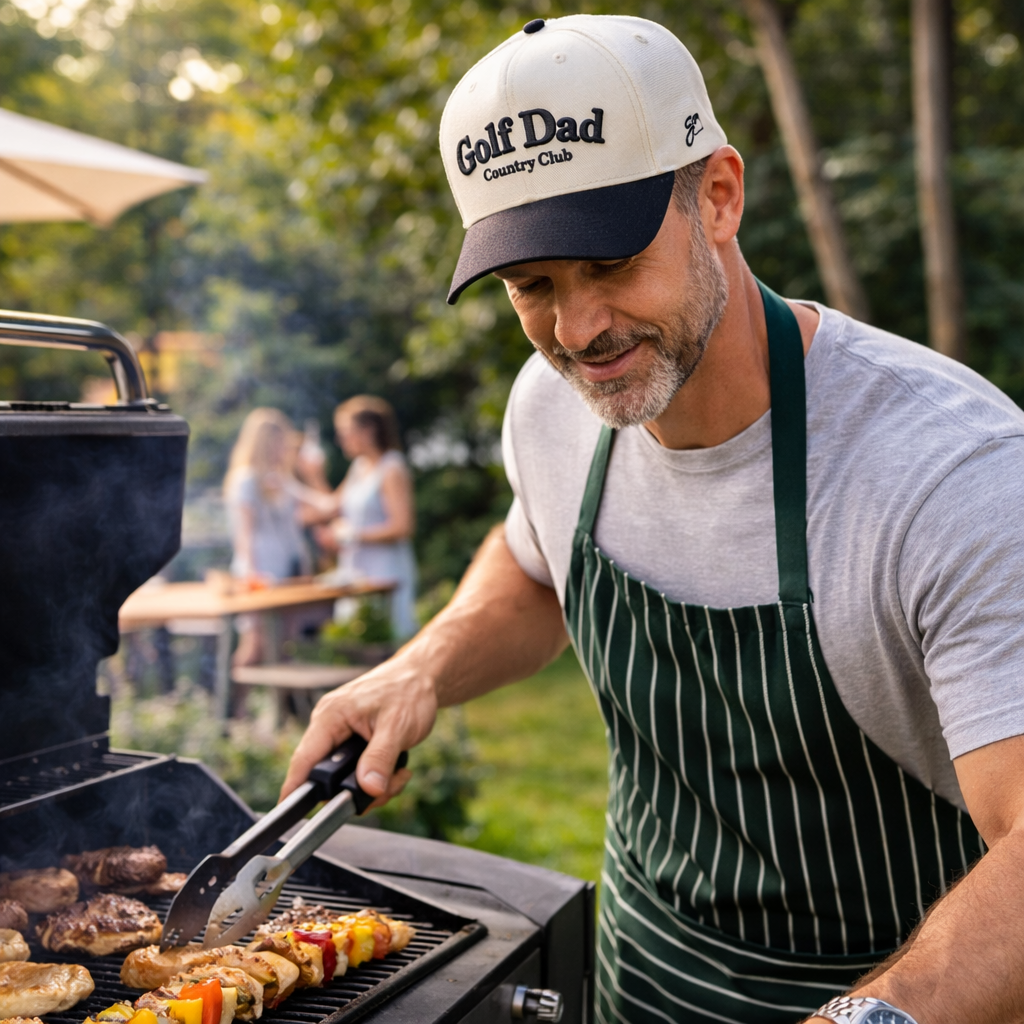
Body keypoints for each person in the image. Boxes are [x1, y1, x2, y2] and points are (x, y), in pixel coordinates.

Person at [283, 15, 1024, 1024]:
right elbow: (533, 568)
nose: (578, 330)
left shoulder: (946, 469)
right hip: (642, 974)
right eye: (531, 286)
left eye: (608, 262)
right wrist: (421, 667)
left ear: (718, 195)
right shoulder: (549, 410)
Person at [298, 396, 418, 642]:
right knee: (356, 639)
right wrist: (312, 476)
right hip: (355, 569)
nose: (342, 439)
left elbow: (403, 527)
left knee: (386, 639)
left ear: (369, 430)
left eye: (346, 432)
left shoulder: (391, 467)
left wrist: (352, 535)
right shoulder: (358, 467)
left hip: (386, 570)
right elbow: (331, 507)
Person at [224, 407, 310, 666]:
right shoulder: (246, 479)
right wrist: (251, 573)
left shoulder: (280, 478)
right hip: (260, 568)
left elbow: (319, 508)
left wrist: (312, 474)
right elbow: (245, 533)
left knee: (285, 644)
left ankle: (280, 706)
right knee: (256, 645)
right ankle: (232, 705)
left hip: (288, 569)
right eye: (278, 442)